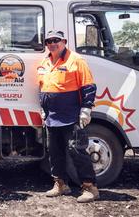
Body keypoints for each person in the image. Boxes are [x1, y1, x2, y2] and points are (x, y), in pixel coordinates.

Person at [38, 30, 99, 203]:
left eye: (56, 40)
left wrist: (86, 109)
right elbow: (42, 87)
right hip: (52, 116)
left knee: (76, 150)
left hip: (71, 116)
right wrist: (43, 108)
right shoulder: (44, 62)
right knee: (54, 152)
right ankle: (61, 184)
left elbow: (88, 86)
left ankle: (90, 187)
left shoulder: (76, 60)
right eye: (48, 41)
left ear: (64, 41)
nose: (52, 43)